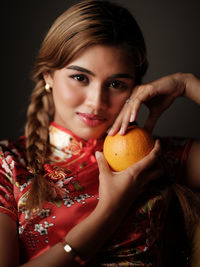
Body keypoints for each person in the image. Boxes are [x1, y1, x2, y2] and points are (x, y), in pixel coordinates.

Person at [0, 0, 199, 266]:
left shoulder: (151, 158)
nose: (96, 101)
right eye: (80, 78)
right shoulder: (8, 165)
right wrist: (109, 212)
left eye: (116, 84)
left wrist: (186, 84)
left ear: (135, 89)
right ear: (48, 75)